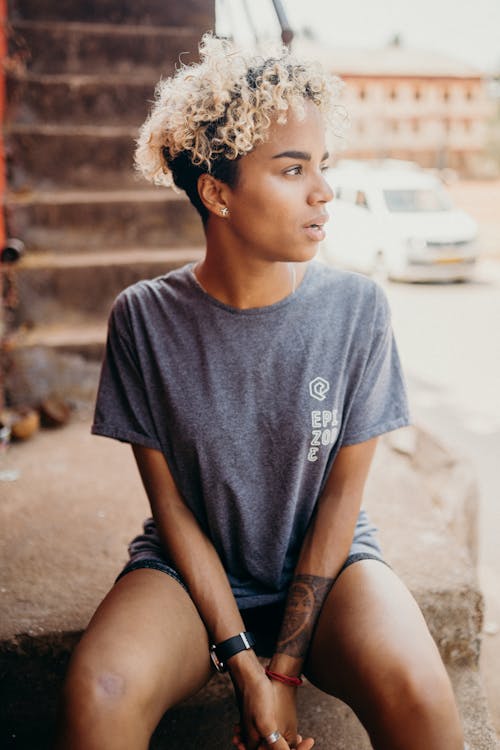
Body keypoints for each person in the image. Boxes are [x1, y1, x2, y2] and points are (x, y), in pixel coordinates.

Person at [54, 35, 464, 750]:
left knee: (420, 685)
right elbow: (172, 510)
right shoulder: (144, 319)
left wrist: (285, 671)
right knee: (100, 691)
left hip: (331, 568)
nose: (324, 191)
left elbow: (340, 500)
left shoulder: (356, 310)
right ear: (217, 192)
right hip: (187, 575)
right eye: (292, 168)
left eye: (322, 166)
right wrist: (243, 665)